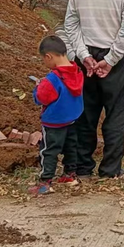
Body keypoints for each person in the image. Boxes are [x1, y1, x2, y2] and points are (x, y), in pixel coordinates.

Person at [63, 0, 124, 179]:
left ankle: (83, 168)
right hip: (115, 59)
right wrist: (111, 59)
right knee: (117, 114)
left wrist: (84, 57)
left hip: (85, 59)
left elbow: (70, 25)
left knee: (85, 114)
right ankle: (110, 170)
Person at [30, 35, 85, 195]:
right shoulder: (78, 72)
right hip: (73, 119)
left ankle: (45, 182)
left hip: (54, 123)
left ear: (49, 56)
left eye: (44, 59)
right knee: (71, 148)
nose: (45, 63)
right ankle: (70, 175)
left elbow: (41, 98)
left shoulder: (52, 79)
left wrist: (38, 87)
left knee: (49, 151)